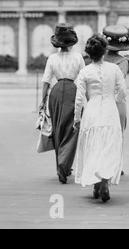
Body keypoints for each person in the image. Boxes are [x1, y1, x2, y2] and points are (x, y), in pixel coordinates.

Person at [73, 35, 127, 203]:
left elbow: (79, 98)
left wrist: (76, 118)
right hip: (110, 111)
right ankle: (104, 180)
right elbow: (123, 92)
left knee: (93, 147)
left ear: (89, 53)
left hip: (92, 112)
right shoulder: (114, 69)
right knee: (108, 146)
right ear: (105, 51)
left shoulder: (84, 72)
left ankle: (96, 180)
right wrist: (114, 98)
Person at [40, 23, 85, 184]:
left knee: (58, 127)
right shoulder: (78, 57)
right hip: (73, 90)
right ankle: (64, 165)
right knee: (72, 128)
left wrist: (43, 100)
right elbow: (83, 78)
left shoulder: (52, 58)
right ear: (72, 42)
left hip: (56, 91)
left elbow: (46, 81)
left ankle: (61, 164)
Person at [103, 25, 129, 176]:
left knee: (101, 133)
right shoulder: (122, 61)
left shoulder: (99, 59)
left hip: (100, 100)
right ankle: (116, 164)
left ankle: (102, 162)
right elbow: (120, 84)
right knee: (118, 133)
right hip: (117, 101)